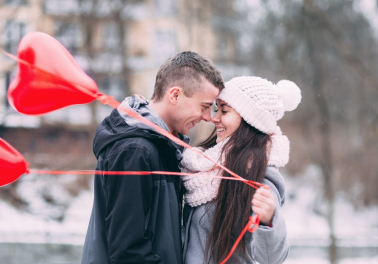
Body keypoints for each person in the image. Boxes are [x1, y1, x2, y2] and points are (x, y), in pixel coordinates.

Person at [81, 51, 224, 264]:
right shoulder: (135, 150)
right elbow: (128, 251)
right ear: (175, 95)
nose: (207, 117)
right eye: (204, 106)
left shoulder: (163, 147)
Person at [181, 76, 301, 264]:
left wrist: (268, 220)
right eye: (216, 109)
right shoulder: (201, 167)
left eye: (224, 111)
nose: (214, 118)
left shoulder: (260, 176)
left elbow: (272, 258)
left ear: (249, 119)